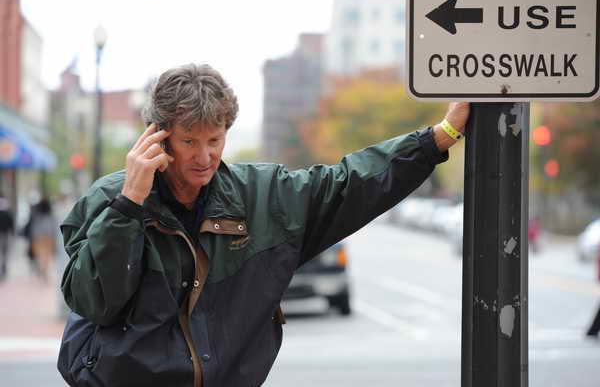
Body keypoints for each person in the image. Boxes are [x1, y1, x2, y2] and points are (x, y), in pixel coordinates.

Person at [57, 63, 470, 387]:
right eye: (189, 142)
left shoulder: (261, 195)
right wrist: (129, 205)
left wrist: (439, 136)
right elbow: (91, 301)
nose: (204, 156)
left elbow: (347, 183)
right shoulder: (109, 200)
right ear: (158, 138)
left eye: (214, 140)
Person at [30, 198, 58, 283]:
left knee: (40, 256)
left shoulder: (37, 214)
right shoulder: (51, 215)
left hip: (38, 237)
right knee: (47, 257)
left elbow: (34, 227)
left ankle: (43, 271)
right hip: (49, 237)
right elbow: (54, 227)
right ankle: (45, 272)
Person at [0, 195, 14, 282]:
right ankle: (3, 267)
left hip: (4, 234)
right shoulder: (7, 212)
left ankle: (3, 267)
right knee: (4, 252)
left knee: (4, 252)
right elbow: (11, 223)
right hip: (5, 234)